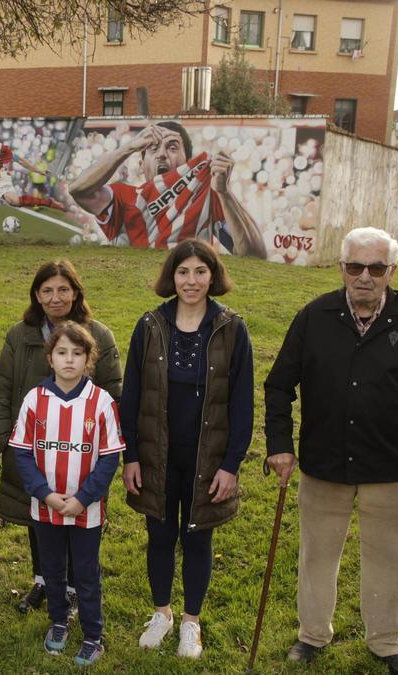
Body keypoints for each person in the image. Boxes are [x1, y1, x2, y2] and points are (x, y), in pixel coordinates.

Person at [264, 227, 398, 675]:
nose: (364, 277)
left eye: (376, 268)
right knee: (317, 555)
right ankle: (312, 635)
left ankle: (388, 643)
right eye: (355, 266)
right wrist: (279, 446)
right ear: (341, 268)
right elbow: (278, 385)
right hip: (324, 463)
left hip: (392, 467)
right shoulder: (313, 317)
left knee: (389, 558)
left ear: (392, 271)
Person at [118, 240, 254, 659]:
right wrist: (132, 457)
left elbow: (242, 402)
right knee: (159, 535)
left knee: (197, 539)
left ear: (213, 276)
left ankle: (191, 623)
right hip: (158, 455)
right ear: (171, 277)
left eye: (200, 271)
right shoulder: (150, 326)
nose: (191, 281)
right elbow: (132, 396)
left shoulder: (231, 328)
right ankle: (162, 613)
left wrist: (231, 465)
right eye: (183, 272)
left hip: (207, 459)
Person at [0, 259, 123, 615]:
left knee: (78, 520)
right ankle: (44, 581)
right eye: (47, 290)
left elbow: (114, 392)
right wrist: (3, 437)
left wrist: (106, 444)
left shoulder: (99, 335)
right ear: (36, 294)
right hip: (33, 450)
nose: (55, 297)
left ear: (76, 292)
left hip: (83, 454)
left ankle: (77, 587)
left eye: (63, 289)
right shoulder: (20, 334)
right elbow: (2, 389)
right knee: (39, 516)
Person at [10, 323, 124, 667]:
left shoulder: (101, 402)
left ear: (89, 359)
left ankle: (93, 635)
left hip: (86, 510)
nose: (69, 360)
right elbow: (23, 454)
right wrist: (45, 494)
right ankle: (58, 621)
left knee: (87, 574)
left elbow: (109, 458)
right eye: (62, 352)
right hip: (46, 509)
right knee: (53, 570)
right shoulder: (35, 400)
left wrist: (83, 498)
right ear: (50, 357)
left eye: (77, 353)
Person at [68, 121, 267, 258]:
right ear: (141, 162)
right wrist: (129, 147)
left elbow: (254, 256)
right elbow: (78, 190)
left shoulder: (209, 196)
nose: (161, 154)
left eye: (172, 148)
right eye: (152, 149)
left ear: (187, 162)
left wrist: (225, 193)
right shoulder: (123, 197)